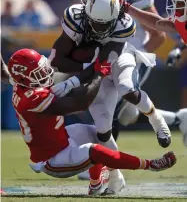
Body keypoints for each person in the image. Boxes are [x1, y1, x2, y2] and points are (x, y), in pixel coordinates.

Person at [6, 48, 176, 196]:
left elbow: (9, 74)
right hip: (52, 159)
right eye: (38, 73)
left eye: (42, 70)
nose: (45, 74)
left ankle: (96, 183)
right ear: (23, 78)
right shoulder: (31, 99)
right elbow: (81, 104)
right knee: (94, 150)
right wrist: (99, 74)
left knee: (98, 133)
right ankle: (150, 165)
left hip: (61, 139)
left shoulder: (21, 84)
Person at [49, 0, 172, 193]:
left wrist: (70, 83)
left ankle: (157, 121)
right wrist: (77, 68)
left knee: (127, 89)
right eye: (95, 22)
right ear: (86, 13)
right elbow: (57, 60)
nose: (98, 28)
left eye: (104, 23)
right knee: (103, 129)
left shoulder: (123, 25)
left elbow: (102, 66)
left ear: (115, 17)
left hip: (118, 58)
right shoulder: (74, 17)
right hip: (92, 66)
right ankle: (115, 177)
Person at [85, 0, 186, 147]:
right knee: (125, 114)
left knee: (110, 109)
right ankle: (179, 119)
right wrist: (130, 9)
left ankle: (104, 164)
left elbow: (158, 35)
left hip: (130, 58)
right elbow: (161, 24)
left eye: (180, 2)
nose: (175, 7)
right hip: (107, 60)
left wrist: (136, 56)